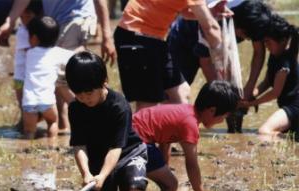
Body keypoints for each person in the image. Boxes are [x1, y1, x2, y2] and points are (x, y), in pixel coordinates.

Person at [66, 51, 149, 191]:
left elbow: (116, 148)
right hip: (97, 157)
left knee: (136, 183)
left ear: (104, 82)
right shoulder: (75, 108)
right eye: (79, 94)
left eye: (89, 93)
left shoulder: (119, 105)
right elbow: (79, 146)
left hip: (128, 152)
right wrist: (87, 174)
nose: (85, 99)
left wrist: (103, 175)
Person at [0, 0, 116, 133]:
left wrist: (107, 35)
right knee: (61, 76)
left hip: (75, 18)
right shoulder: (45, 48)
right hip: (54, 21)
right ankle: (69, 123)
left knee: (69, 73)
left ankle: (94, 115)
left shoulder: (28, 47)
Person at [132, 81, 240, 191]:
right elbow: (192, 164)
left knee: (164, 179)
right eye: (223, 116)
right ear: (212, 110)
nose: (221, 121)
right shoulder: (190, 124)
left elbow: (164, 137)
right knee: (171, 185)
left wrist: (163, 165)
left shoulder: (184, 111)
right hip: (137, 140)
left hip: (130, 131)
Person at [167, 0, 272, 131]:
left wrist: (248, 90)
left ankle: (233, 131)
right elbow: (206, 62)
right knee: (177, 92)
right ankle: (167, 136)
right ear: (238, 25)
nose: (247, 39)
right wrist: (224, 98)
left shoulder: (255, 17)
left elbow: (258, 53)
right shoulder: (216, 20)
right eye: (245, 36)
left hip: (214, 41)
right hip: (184, 42)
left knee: (233, 90)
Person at [114, 0, 226, 111]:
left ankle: (170, 127)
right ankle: (131, 126)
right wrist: (223, 59)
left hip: (155, 39)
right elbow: (211, 28)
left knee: (181, 95)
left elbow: (185, 13)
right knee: (148, 104)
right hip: (135, 35)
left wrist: (211, 13)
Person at [239, 14, 299, 140]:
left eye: (268, 42)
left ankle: (293, 140)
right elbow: (267, 81)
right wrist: (252, 95)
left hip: (294, 107)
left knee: (264, 132)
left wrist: (252, 103)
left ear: (282, 41)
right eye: (265, 41)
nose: (266, 46)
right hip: (288, 107)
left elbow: (275, 93)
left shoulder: (285, 63)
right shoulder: (274, 56)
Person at [22, 16, 74, 139]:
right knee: (52, 122)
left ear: (34, 38)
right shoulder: (57, 53)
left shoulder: (29, 54)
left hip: (29, 101)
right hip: (47, 100)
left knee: (29, 131)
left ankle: (27, 151)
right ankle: (52, 147)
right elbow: (72, 56)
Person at [12, 0, 43, 124]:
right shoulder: (23, 30)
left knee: (28, 106)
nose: (24, 17)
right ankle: (26, 126)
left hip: (25, 77)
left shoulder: (29, 31)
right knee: (24, 106)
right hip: (20, 77)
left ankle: (27, 127)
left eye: (28, 14)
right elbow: (30, 50)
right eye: (22, 14)